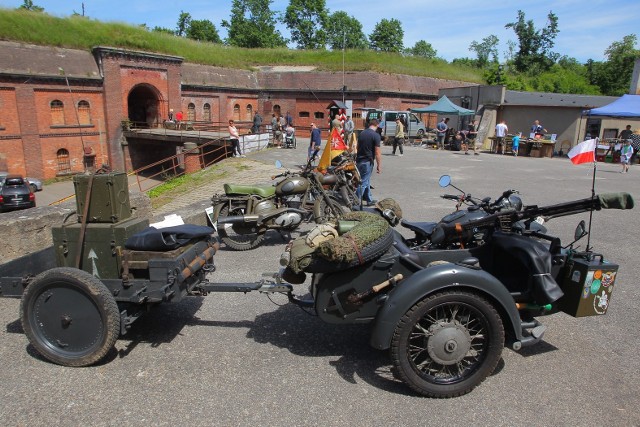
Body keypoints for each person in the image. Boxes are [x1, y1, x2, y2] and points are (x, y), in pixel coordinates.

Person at [356, 118, 382, 206]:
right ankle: (356, 200)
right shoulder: (376, 135)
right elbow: (377, 152)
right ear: (377, 125)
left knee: (366, 180)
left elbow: (357, 147)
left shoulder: (362, 133)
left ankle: (369, 199)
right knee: (363, 182)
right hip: (367, 161)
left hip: (359, 160)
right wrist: (379, 165)